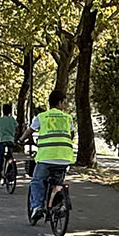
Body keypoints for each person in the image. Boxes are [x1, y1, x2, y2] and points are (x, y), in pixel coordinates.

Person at [28, 90, 74, 221]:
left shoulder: (41, 117)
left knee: (37, 181)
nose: (64, 105)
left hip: (46, 157)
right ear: (59, 103)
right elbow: (71, 135)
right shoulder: (68, 118)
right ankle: (60, 203)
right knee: (59, 181)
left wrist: (21, 139)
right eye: (64, 102)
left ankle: (37, 207)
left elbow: (29, 131)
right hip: (65, 157)